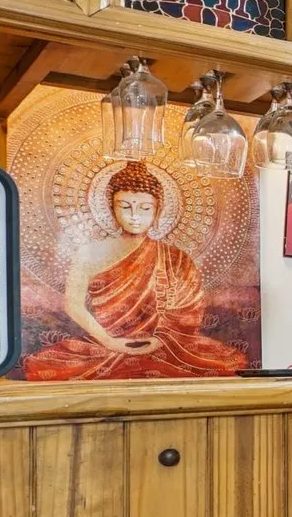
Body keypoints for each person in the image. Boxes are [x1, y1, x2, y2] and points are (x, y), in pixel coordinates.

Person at [21, 162, 249, 379]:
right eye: (125, 206)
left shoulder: (176, 258)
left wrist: (159, 341)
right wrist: (110, 341)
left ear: (158, 210)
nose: (134, 215)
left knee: (231, 362)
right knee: (42, 366)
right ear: (111, 208)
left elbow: (188, 311)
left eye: (145, 208)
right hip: (107, 343)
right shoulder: (89, 253)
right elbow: (73, 305)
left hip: (166, 345)